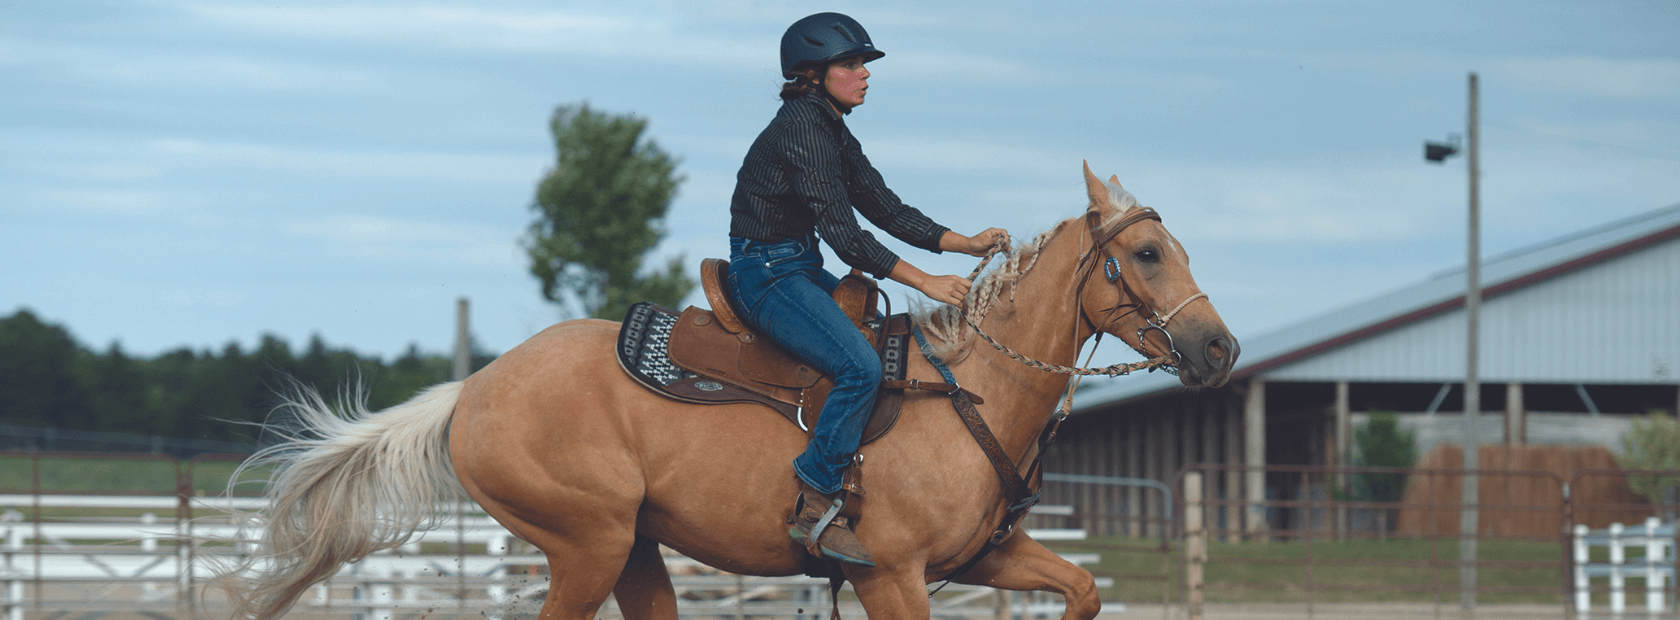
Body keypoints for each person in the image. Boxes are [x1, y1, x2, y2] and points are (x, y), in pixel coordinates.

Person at [727, 12, 1007, 567]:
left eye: (863, 64)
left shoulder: (830, 126)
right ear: (813, 73)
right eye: (851, 63)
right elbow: (846, 236)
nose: (864, 74)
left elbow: (884, 207)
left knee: (879, 348)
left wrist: (963, 243)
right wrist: (925, 281)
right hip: (766, 273)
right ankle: (815, 496)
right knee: (861, 367)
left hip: (796, 267)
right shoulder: (802, 128)